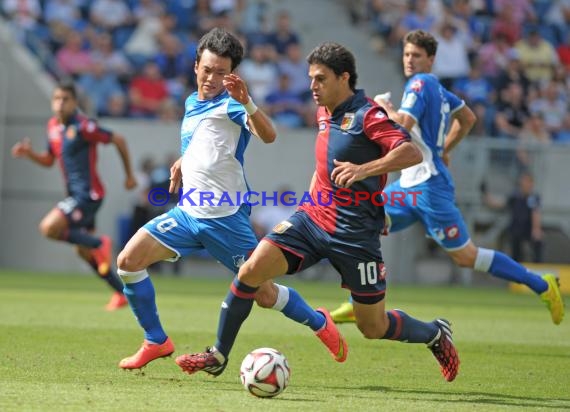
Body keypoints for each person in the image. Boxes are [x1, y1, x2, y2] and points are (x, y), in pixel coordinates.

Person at [174, 41, 461, 382]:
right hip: (312, 220)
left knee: (373, 326)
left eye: (320, 79)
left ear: (344, 78)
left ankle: (433, 333)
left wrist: (364, 169)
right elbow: (324, 164)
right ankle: (218, 354)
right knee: (250, 271)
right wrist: (308, 203)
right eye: (311, 78)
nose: (312, 86)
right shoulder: (324, 111)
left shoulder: (369, 115)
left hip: (355, 234)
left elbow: (410, 152)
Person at [116, 28, 345, 370]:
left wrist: (247, 101)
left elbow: (269, 135)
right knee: (128, 262)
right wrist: (182, 163)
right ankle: (156, 340)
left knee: (265, 294)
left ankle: (318, 321)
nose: (211, 78)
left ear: (232, 75)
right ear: (196, 66)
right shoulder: (192, 102)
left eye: (221, 72)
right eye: (207, 69)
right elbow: (202, 142)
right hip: (188, 213)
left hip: (226, 219)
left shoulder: (233, 106)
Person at [330, 30, 564, 326]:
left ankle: (541, 284)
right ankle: (359, 302)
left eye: (416, 55)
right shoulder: (440, 90)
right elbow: (467, 119)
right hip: (410, 184)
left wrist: (384, 107)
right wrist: (443, 149)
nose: (410, 60)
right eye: (406, 54)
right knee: (360, 223)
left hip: (430, 187)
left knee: (466, 256)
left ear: (431, 59)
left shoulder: (420, 83)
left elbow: (402, 126)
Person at [11, 80, 137, 311]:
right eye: (56, 99)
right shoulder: (53, 126)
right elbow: (49, 161)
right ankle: (120, 293)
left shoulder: (84, 126)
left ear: (74, 102)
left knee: (49, 228)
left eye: (65, 99)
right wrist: (29, 154)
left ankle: (101, 243)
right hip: (76, 195)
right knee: (82, 249)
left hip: (89, 194)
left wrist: (129, 176)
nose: (60, 104)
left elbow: (118, 139)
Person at [482, 173, 543, 263]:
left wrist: (536, 229)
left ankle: (539, 268)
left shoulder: (533, 197)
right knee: (516, 253)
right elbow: (500, 204)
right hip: (516, 230)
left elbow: (536, 213)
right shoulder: (514, 196)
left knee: (537, 245)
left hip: (528, 229)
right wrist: (486, 196)